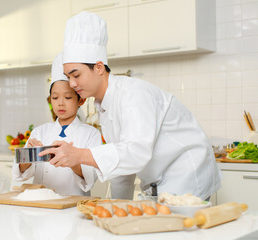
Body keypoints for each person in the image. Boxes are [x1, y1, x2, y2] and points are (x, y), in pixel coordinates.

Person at [40, 11, 222, 200]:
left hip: (186, 175)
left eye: (76, 75)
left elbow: (136, 151)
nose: (72, 84)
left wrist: (79, 155)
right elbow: (122, 169)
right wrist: (117, 206)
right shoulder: (104, 105)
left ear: (99, 68)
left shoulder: (133, 94)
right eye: (68, 77)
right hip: (159, 181)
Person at [12, 53, 102, 196]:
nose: (60, 103)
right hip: (41, 204)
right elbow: (21, 174)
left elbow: (90, 179)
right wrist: (28, 156)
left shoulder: (91, 134)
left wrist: (73, 160)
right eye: (55, 97)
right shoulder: (39, 132)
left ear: (81, 101)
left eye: (67, 97)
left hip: (73, 206)